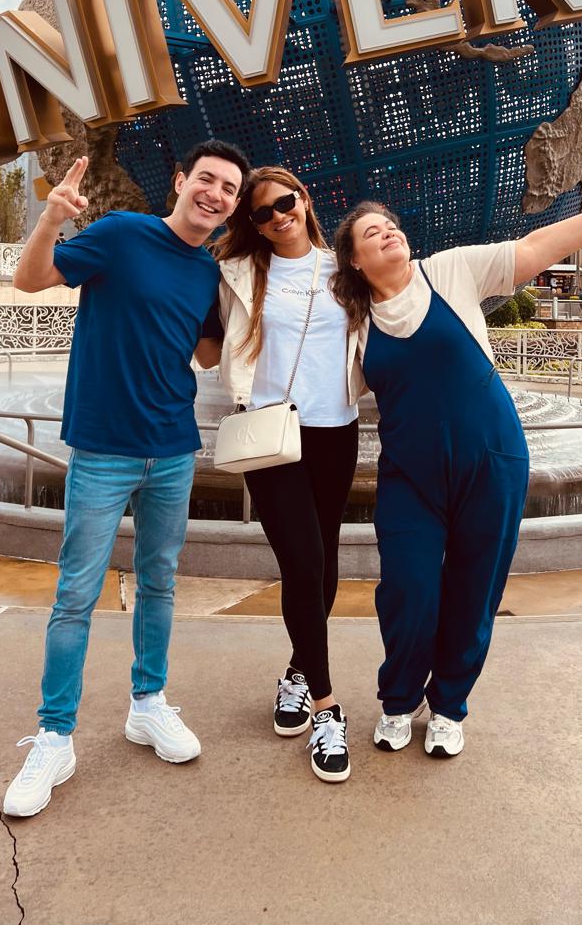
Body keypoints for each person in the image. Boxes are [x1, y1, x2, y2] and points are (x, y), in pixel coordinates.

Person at [330, 176, 582, 759]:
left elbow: (532, 250)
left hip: (491, 461)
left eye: (391, 224)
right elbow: (322, 388)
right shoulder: (350, 323)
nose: (389, 232)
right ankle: (400, 699)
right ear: (353, 258)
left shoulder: (448, 271)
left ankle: (448, 706)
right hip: (410, 478)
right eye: (372, 232)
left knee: (476, 590)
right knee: (407, 590)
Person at [2, 139, 249, 818]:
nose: (216, 194)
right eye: (207, 179)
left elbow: (204, 353)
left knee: (162, 583)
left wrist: (258, 305)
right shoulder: (118, 235)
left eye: (229, 189)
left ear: (232, 206)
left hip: (173, 449)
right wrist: (51, 217)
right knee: (76, 594)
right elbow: (30, 280)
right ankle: (55, 737)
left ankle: (148, 704)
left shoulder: (208, 271)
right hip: (104, 448)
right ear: (180, 181)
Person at [197, 168, 360, 783]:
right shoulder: (238, 273)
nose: (277, 217)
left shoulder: (346, 271)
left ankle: (296, 673)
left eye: (285, 203)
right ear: (252, 224)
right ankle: (325, 706)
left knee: (326, 567)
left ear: (305, 199)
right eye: (262, 213)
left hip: (335, 431)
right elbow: (207, 345)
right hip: (268, 435)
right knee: (302, 562)